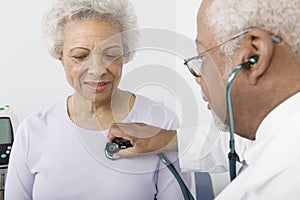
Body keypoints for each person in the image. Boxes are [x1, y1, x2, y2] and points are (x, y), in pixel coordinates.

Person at [107, 0, 300, 198]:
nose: (199, 78)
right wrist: (166, 139)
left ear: (253, 56)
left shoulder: (286, 186)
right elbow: (240, 144)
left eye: (202, 58)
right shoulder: (282, 130)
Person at [5, 0, 191, 199]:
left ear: (125, 55)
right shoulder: (32, 131)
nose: (97, 69)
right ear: (61, 58)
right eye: (80, 56)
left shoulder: (161, 123)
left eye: (111, 54)